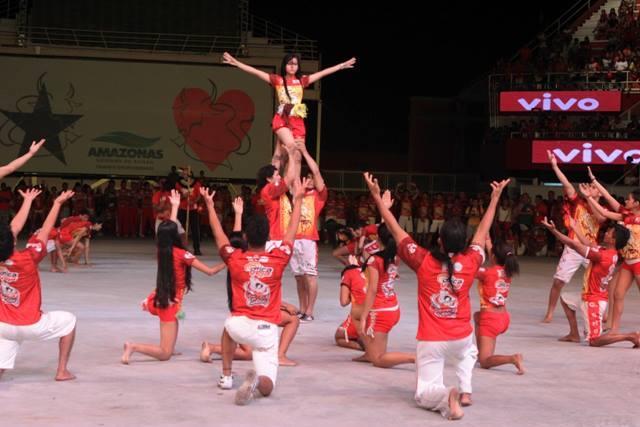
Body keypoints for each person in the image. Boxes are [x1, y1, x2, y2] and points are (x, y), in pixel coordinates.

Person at [364, 171, 508, 420]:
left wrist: (377, 199)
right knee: (468, 353)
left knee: (423, 394)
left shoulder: (423, 260)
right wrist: (495, 199)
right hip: (461, 336)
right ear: (464, 242)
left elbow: (396, 231)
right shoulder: (473, 259)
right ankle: (466, 391)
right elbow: (482, 231)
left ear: (439, 240)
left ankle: (446, 396)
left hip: (432, 339)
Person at [200, 177, 305, 405]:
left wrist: (209, 205)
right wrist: (297, 201)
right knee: (268, 386)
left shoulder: (235, 258)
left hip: (239, 325)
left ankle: (226, 376)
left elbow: (219, 235)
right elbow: (291, 232)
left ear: (245, 237)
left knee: (228, 329)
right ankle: (257, 383)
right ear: (268, 239)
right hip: (266, 331)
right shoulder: (278, 258)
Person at [121, 190, 225, 364]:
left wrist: (175, 207)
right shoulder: (182, 254)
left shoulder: (162, 251)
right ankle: (133, 347)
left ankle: (169, 346)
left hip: (165, 295)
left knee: (174, 324)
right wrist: (228, 262)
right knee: (164, 354)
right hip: (169, 300)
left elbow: (169, 229)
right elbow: (210, 271)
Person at [222, 51, 355, 170]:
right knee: (291, 146)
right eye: (289, 63)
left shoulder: (302, 81)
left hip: (297, 120)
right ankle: (274, 183)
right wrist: (236, 62)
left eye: (295, 64)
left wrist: (341, 65)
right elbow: (256, 72)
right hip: (282, 118)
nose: (292, 66)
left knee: (287, 155)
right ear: (284, 65)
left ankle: (289, 185)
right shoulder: (278, 80)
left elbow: (323, 73)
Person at [0, 188, 77, 381]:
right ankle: (62, 371)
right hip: (31, 324)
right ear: (13, 241)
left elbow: (13, 228)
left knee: (7, 340)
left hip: (3, 324)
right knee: (69, 321)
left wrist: (27, 201)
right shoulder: (28, 258)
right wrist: (57, 203)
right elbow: (45, 230)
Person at [542, 217, 640, 347]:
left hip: (593, 301)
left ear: (613, 240)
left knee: (594, 340)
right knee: (565, 299)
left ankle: (630, 336)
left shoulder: (602, 256)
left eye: (609, 233)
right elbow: (588, 244)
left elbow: (575, 245)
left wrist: (554, 231)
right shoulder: (609, 252)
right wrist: (576, 229)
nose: (605, 233)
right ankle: (574, 334)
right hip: (591, 296)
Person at [543, 150, 605, 323]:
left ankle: (605, 313)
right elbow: (567, 184)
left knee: (602, 282)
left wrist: (590, 199)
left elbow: (600, 218)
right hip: (574, 247)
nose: (588, 188)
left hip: (591, 249)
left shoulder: (602, 209)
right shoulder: (577, 202)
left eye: (592, 187)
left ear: (599, 193)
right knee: (558, 282)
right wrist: (555, 166)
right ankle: (550, 312)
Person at [584, 167, 640, 334]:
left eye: (629, 200)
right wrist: (592, 187)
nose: (626, 202)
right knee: (617, 294)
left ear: (637, 203)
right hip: (628, 263)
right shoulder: (625, 215)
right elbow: (605, 208)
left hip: (639, 262)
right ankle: (614, 328)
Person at [474, 238, 524, 374]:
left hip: (490, 320)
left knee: (485, 362)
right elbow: (494, 254)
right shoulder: (508, 271)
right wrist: (487, 238)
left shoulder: (486, 273)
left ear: (493, 257)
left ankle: (513, 359)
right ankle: (481, 353)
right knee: (476, 316)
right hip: (503, 317)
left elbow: (468, 268)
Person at [335, 255, 366, 351]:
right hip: (384, 310)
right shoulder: (370, 270)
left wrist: (350, 292)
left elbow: (344, 302)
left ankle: (365, 347)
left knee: (339, 336)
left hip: (362, 314)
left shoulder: (348, 274)